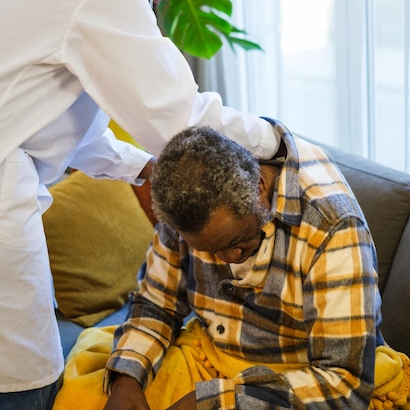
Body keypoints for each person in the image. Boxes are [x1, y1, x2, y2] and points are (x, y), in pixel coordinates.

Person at [0, 0, 281, 409]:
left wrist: (141, 166)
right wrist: (272, 137)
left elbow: (65, 130)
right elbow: (180, 117)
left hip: (7, 165)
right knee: (26, 380)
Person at [101, 119, 384, 410]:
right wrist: (127, 379)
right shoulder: (183, 202)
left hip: (300, 379)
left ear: (259, 189)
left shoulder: (332, 227)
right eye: (209, 251)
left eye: (234, 241)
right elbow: (156, 304)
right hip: (212, 356)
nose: (228, 259)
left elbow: (344, 384)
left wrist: (217, 402)